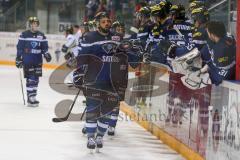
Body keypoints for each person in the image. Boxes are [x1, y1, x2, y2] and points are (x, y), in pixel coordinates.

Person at [72, 12, 140, 151]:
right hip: (94, 80)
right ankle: (91, 137)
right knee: (92, 109)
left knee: (107, 112)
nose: (107, 24)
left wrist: (136, 55)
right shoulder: (89, 37)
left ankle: (99, 137)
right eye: (103, 22)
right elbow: (82, 57)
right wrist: (78, 73)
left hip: (112, 82)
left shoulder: (117, 37)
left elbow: (128, 54)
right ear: (98, 23)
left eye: (108, 21)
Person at [16, 17, 52, 107]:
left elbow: (44, 48)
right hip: (28, 59)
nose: (34, 25)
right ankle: (30, 97)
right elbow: (20, 47)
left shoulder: (41, 35)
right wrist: (18, 58)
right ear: (30, 25)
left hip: (38, 60)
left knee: (36, 79)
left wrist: (46, 54)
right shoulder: (24, 34)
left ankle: (33, 96)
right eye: (33, 24)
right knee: (31, 78)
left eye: (36, 24)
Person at [200, 21, 236, 85]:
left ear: (212, 34)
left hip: (227, 70)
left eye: (208, 32)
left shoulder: (219, 50)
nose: (207, 34)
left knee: (207, 79)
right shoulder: (228, 35)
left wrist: (206, 70)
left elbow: (222, 73)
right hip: (230, 60)